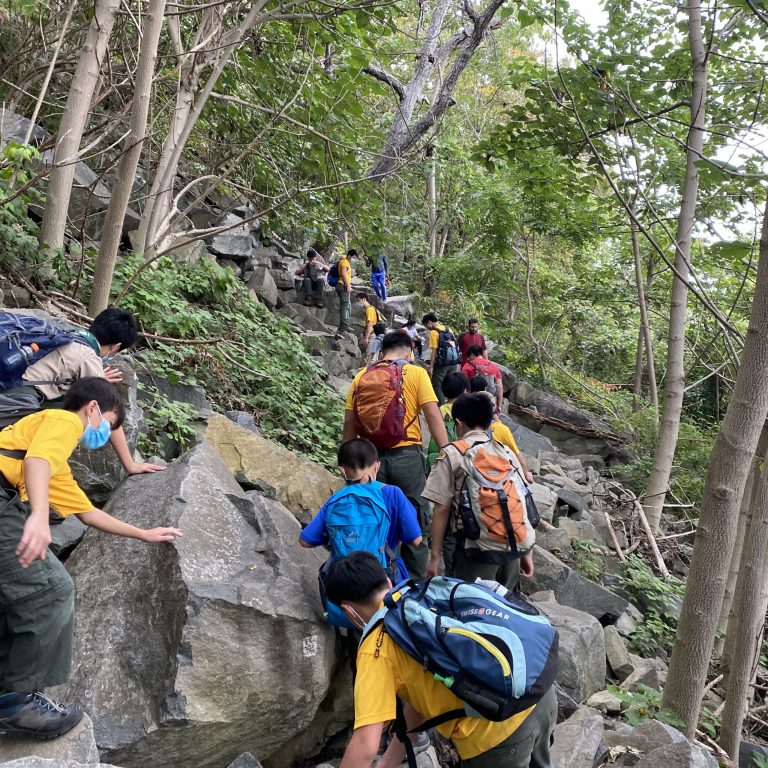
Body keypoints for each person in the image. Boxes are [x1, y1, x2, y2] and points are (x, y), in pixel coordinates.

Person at [0, 377, 182, 739]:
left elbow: (86, 513)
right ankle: (16, 702)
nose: (102, 436)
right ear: (93, 408)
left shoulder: (51, 456)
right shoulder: (64, 420)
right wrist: (38, 515)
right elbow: (37, 461)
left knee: (16, 596)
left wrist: (143, 533)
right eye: (109, 425)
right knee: (49, 590)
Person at [326, 551, 557, 768]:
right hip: (538, 690)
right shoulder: (425, 594)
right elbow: (421, 698)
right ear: (387, 582)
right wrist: (389, 761)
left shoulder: (374, 649)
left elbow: (366, 744)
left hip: (497, 733)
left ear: (349, 611)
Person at [343, 331, 449, 579]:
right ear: (410, 350)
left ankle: (375, 583)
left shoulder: (361, 376)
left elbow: (349, 422)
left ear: (382, 351)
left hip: (369, 460)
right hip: (407, 457)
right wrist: (447, 450)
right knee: (414, 521)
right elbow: (432, 414)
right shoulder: (415, 373)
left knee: (372, 519)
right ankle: (414, 588)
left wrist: (348, 462)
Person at [18, 308, 163, 478]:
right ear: (115, 347)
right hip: (19, 402)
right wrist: (130, 465)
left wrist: (97, 378)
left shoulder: (69, 336)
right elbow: (107, 412)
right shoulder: (89, 357)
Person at [423, 393, 534, 592]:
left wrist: (434, 556)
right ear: (489, 422)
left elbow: (441, 509)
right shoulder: (506, 453)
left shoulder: (453, 453)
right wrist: (526, 552)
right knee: (506, 611)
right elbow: (520, 501)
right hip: (512, 552)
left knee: (472, 612)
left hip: (475, 552)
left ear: (459, 423)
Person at [299, 438, 422, 583]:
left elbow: (305, 541)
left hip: (344, 581)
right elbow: (416, 540)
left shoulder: (336, 500)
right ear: (377, 466)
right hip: (383, 579)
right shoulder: (393, 494)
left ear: (342, 470)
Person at [468, 378, 534, 484]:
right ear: (493, 409)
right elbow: (518, 456)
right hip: (497, 478)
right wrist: (526, 473)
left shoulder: (467, 426)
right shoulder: (501, 429)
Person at [422, 313, 459, 406]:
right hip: (453, 362)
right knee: (451, 384)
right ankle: (452, 406)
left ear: (429, 322)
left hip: (442, 364)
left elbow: (434, 351)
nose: (427, 327)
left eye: (426, 325)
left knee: (436, 385)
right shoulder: (447, 328)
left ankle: (441, 407)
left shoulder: (434, 332)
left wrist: (431, 367)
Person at [461, 346, 504, 411]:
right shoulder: (493, 366)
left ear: (472, 354)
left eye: (468, 357)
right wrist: (499, 406)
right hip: (490, 403)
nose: (468, 359)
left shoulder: (468, 366)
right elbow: (500, 387)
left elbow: (462, 386)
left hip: (473, 402)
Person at [334, 250, 354, 335]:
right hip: (343, 285)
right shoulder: (345, 262)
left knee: (347, 305)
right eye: (354, 257)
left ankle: (345, 325)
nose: (354, 259)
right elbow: (343, 274)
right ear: (349, 255)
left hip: (342, 285)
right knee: (345, 306)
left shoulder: (345, 262)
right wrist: (348, 286)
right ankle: (344, 326)